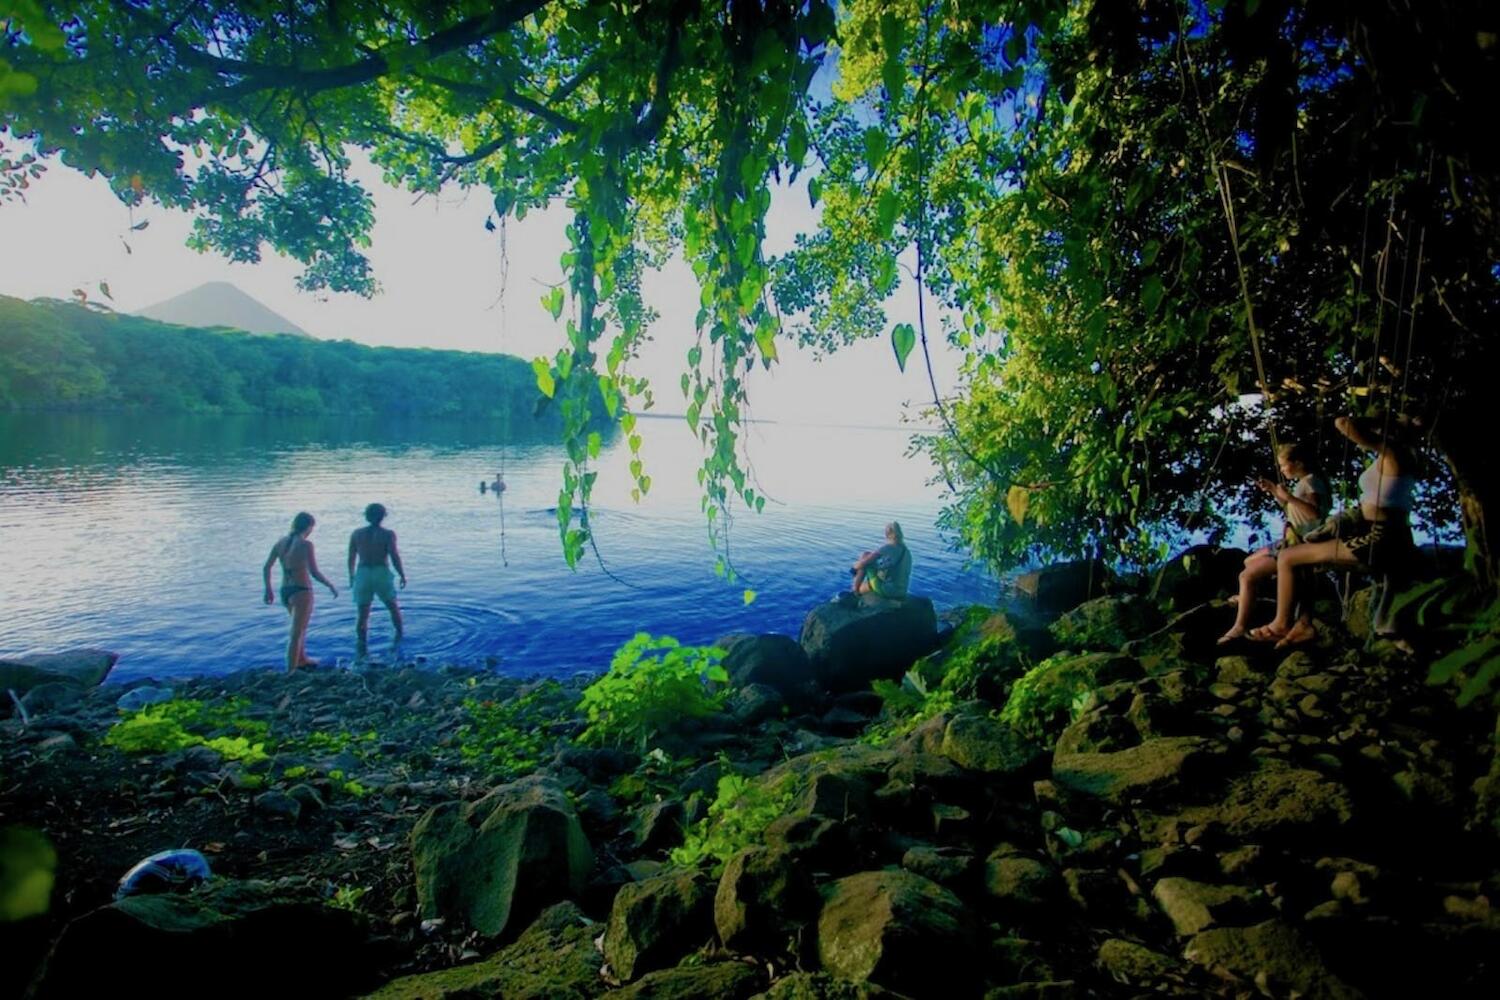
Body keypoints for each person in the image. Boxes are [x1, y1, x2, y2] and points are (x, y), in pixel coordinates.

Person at [1249, 416, 1418, 646]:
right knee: (1299, 557)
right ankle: (1303, 624)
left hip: (1381, 538)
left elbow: (1343, 423)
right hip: (1375, 533)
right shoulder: (1390, 456)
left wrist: (1376, 417)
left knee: (1289, 558)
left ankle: (1281, 624)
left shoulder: (1393, 453)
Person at [1218, 442, 1331, 643]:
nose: (1281, 469)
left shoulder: (1311, 482)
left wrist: (1289, 497)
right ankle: (1249, 598)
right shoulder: (1305, 482)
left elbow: (1313, 513)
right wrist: (1273, 491)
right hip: (1290, 540)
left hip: (1298, 544)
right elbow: (1294, 511)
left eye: (1283, 465)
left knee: (1246, 576)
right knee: (1249, 561)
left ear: (1298, 463)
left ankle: (1239, 626)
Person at [262, 512, 338, 671]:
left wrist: (268, 590)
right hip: (302, 591)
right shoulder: (305, 545)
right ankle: (291, 672)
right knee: (296, 633)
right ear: (309, 527)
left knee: (300, 627)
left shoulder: (281, 542)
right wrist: (329, 585)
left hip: (285, 591)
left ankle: (302, 659)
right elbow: (314, 572)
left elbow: (267, 566)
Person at [348, 502, 407, 658]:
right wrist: (402, 574)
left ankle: (361, 649)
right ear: (383, 517)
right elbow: (394, 556)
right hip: (381, 571)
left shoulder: (356, 534)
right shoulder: (388, 534)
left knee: (362, 614)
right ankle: (400, 638)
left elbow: (351, 557)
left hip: (363, 572)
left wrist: (351, 576)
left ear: (366, 516)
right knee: (393, 607)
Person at [851, 521, 913, 598]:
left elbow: (862, 563)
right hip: (902, 591)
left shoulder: (889, 547)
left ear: (887, 534)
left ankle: (855, 592)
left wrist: (853, 569)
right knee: (869, 559)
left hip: (889, 590)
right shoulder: (906, 551)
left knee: (865, 556)